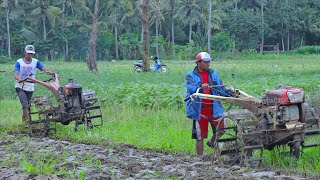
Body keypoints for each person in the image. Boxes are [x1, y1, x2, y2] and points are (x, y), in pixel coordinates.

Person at [185, 52, 232, 156]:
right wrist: (201, 86)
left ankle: (211, 142)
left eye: (209, 61)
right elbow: (191, 88)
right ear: (198, 63)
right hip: (199, 110)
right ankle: (200, 157)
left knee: (222, 129)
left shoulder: (213, 74)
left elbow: (220, 88)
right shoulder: (190, 75)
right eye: (205, 62)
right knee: (200, 136)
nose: (208, 64)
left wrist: (229, 93)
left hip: (214, 108)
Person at [14, 45, 54, 123]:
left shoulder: (35, 62)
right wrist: (19, 79)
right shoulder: (19, 62)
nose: (30, 55)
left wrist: (52, 73)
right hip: (20, 86)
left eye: (31, 54)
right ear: (25, 52)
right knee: (25, 105)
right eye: (28, 53)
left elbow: (44, 69)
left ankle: (24, 123)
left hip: (30, 87)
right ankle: (27, 123)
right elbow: (16, 73)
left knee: (28, 106)